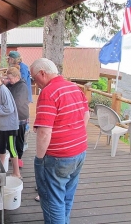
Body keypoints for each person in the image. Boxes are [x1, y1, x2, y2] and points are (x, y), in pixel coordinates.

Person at [30, 58, 90, 224]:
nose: (34, 82)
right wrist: (73, 134)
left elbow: (44, 132)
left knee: (52, 200)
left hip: (58, 157)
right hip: (79, 151)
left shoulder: (48, 92)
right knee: (67, 196)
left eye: (34, 78)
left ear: (43, 73)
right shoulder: (74, 87)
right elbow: (86, 115)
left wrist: (40, 159)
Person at [7, 51, 32, 150]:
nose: (8, 60)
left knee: (23, 122)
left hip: (23, 96)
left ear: (13, 59)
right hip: (19, 95)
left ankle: (24, 142)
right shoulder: (17, 66)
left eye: (9, 58)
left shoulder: (23, 67)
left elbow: (23, 81)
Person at [6, 67, 29, 168]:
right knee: (11, 137)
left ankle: (18, 157)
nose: (9, 80)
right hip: (11, 116)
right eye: (8, 78)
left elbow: (18, 102)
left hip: (20, 116)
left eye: (10, 78)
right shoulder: (9, 85)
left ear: (17, 77)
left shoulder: (22, 86)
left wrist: (6, 105)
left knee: (19, 138)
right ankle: (12, 154)